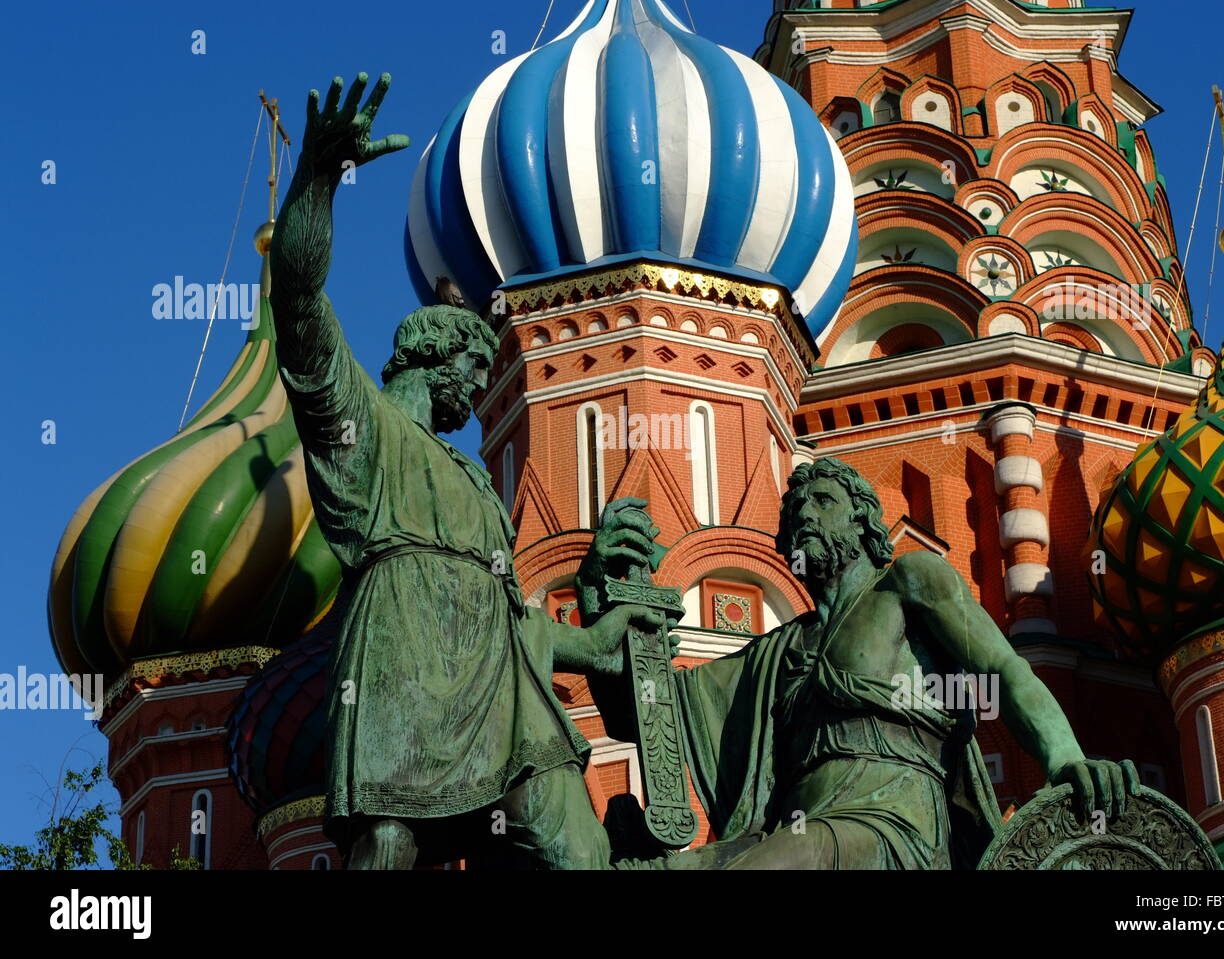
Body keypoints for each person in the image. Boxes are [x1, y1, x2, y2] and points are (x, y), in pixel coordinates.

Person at [269, 72, 652, 869]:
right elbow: (299, 301)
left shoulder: (478, 484)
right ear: (431, 352)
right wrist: (318, 177)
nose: (483, 388)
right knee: (388, 842)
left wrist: (596, 629)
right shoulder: (363, 428)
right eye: (477, 364)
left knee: (576, 850)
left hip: (503, 689)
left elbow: (516, 618)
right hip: (399, 657)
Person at [574, 458, 1141, 868]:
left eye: (823, 502)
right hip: (789, 830)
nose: (804, 515)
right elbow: (646, 720)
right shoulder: (777, 651)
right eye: (795, 508)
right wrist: (598, 600)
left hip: (894, 824)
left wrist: (1066, 760)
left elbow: (1005, 672)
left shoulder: (908, 583)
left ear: (865, 524)